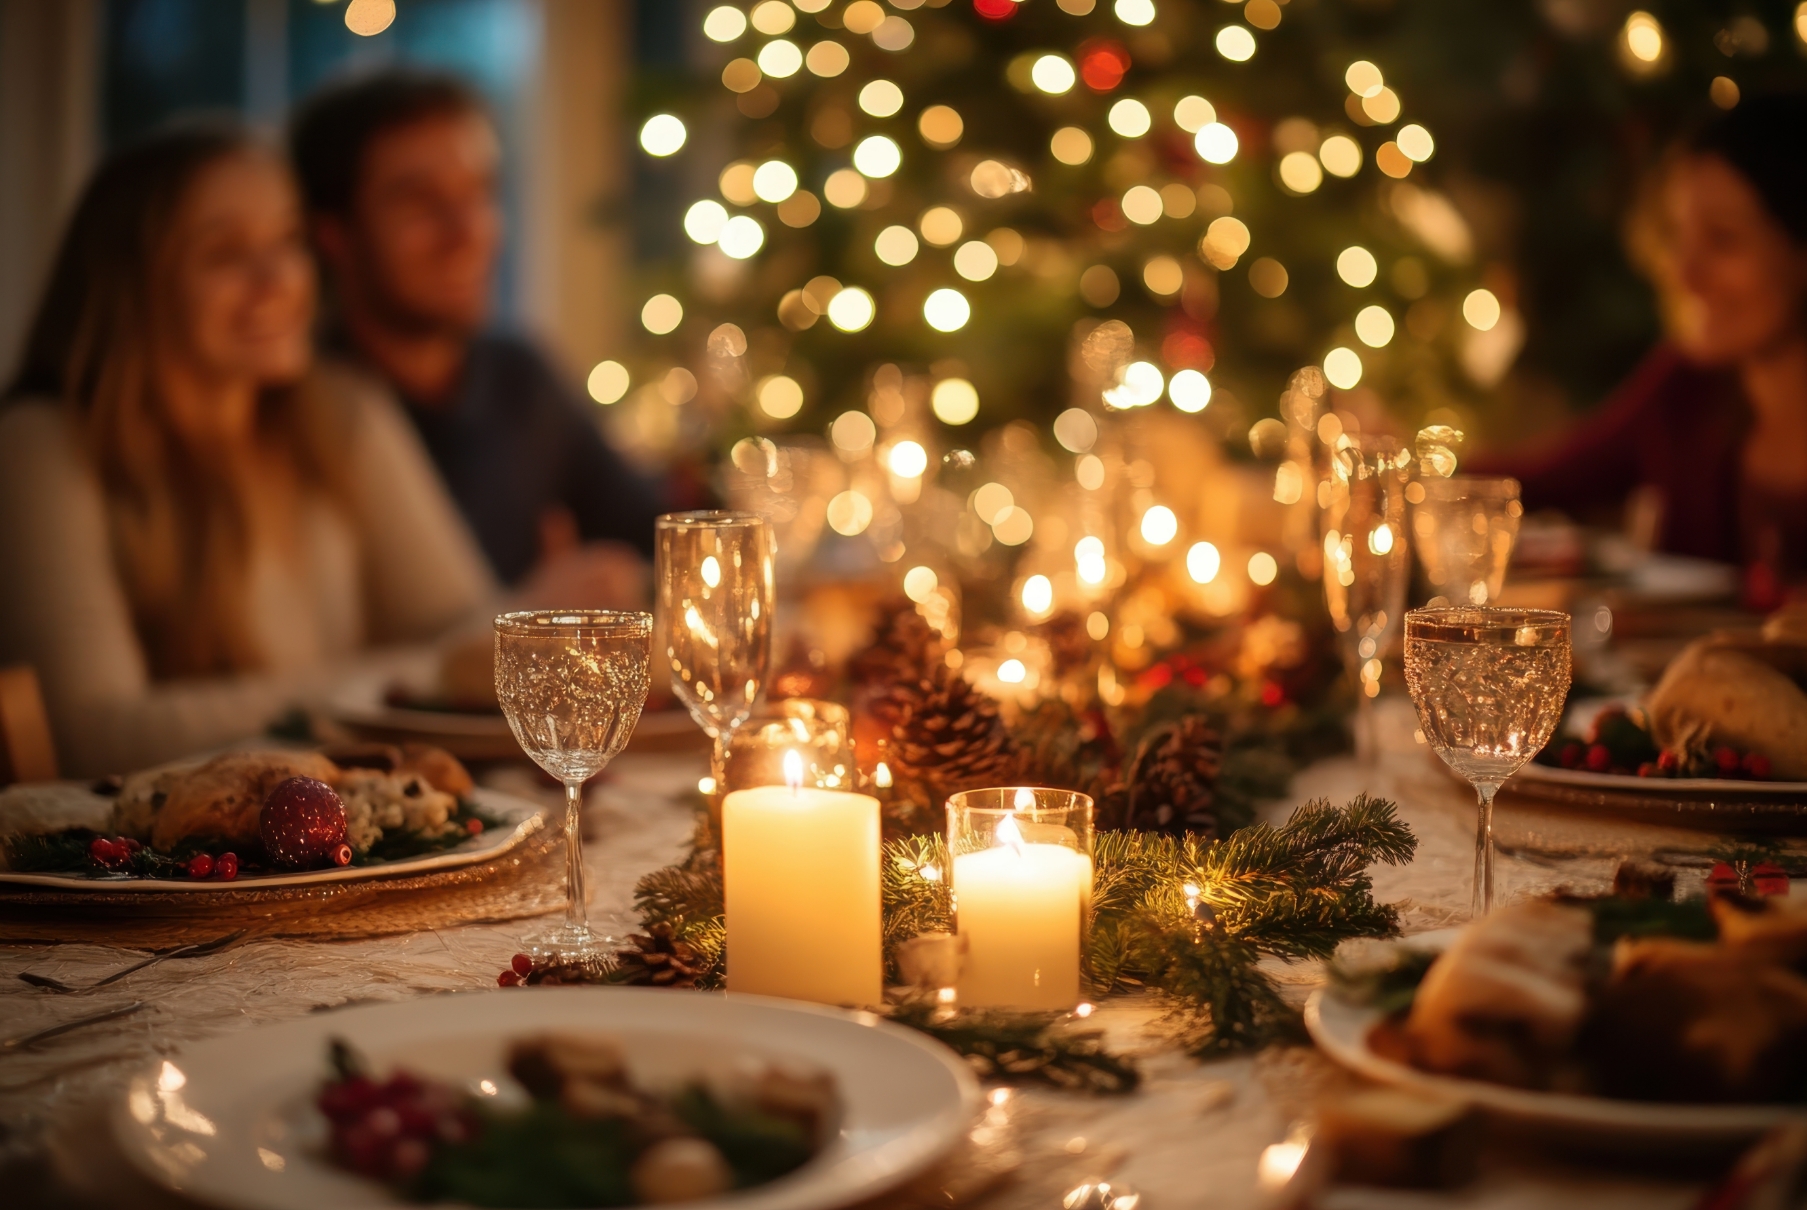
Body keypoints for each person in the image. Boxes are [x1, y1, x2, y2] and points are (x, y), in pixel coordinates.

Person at [0, 122, 501, 776]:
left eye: (287, 241)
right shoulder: (44, 443)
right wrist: (421, 673)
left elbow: (462, 627)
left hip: (351, 836)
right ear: (131, 284)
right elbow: (94, 736)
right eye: (226, 254)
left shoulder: (340, 409)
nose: (279, 280)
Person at [288, 70, 662, 594]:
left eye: (480, 192)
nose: (467, 232)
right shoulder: (301, 414)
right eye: (420, 203)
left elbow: (655, 539)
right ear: (334, 234)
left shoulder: (519, 378)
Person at [1478, 95, 1807, 606]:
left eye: (1723, 240)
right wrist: (1405, 475)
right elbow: (1543, 480)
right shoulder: (1686, 388)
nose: (1684, 274)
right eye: (1678, 235)